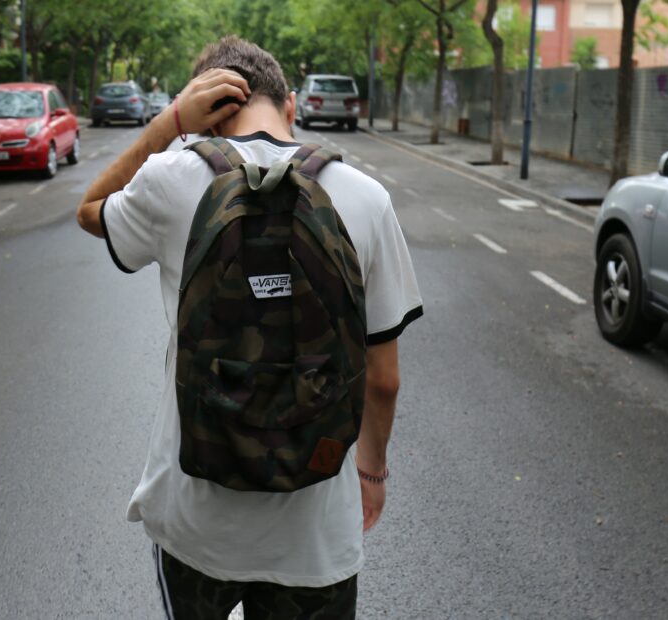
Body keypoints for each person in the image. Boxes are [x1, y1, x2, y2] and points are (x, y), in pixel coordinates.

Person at [76, 36, 422, 618]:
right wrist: (372, 471)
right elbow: (383, 379)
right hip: (314, 533)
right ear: (290, 104)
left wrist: (169, 125)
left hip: (195, 522)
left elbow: (91, 209)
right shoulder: (366, 198)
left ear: (205, 109)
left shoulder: (170, 180)